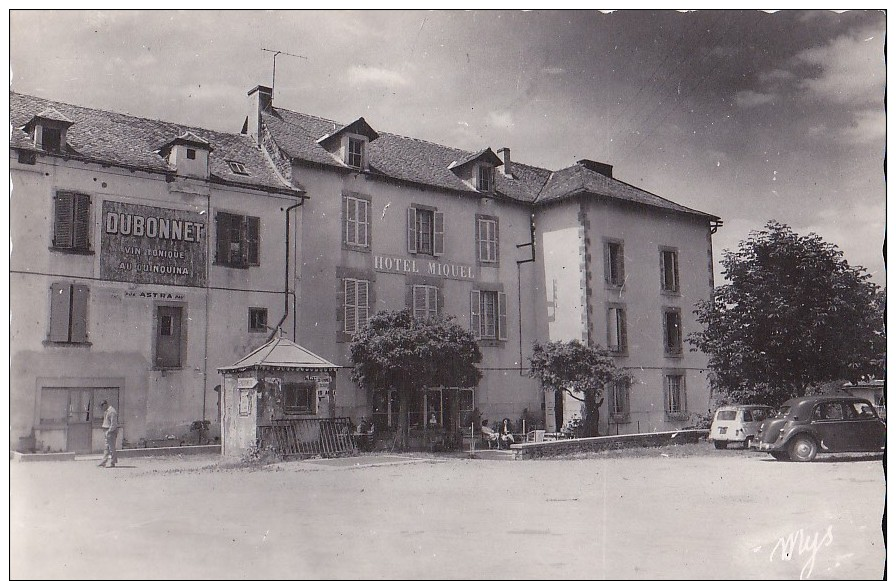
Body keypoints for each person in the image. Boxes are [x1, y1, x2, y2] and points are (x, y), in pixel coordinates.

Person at [98, 400, 119, 468]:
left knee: (111, 448)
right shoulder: (106, 411)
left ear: (105, 405)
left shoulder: (112, 412)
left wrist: (109, 431)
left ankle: (113, 462)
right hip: (107, 431)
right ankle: (104, 462)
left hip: (111, 432)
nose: (102, 409)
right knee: (106, 447)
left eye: (102, 407)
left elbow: (114, 424)